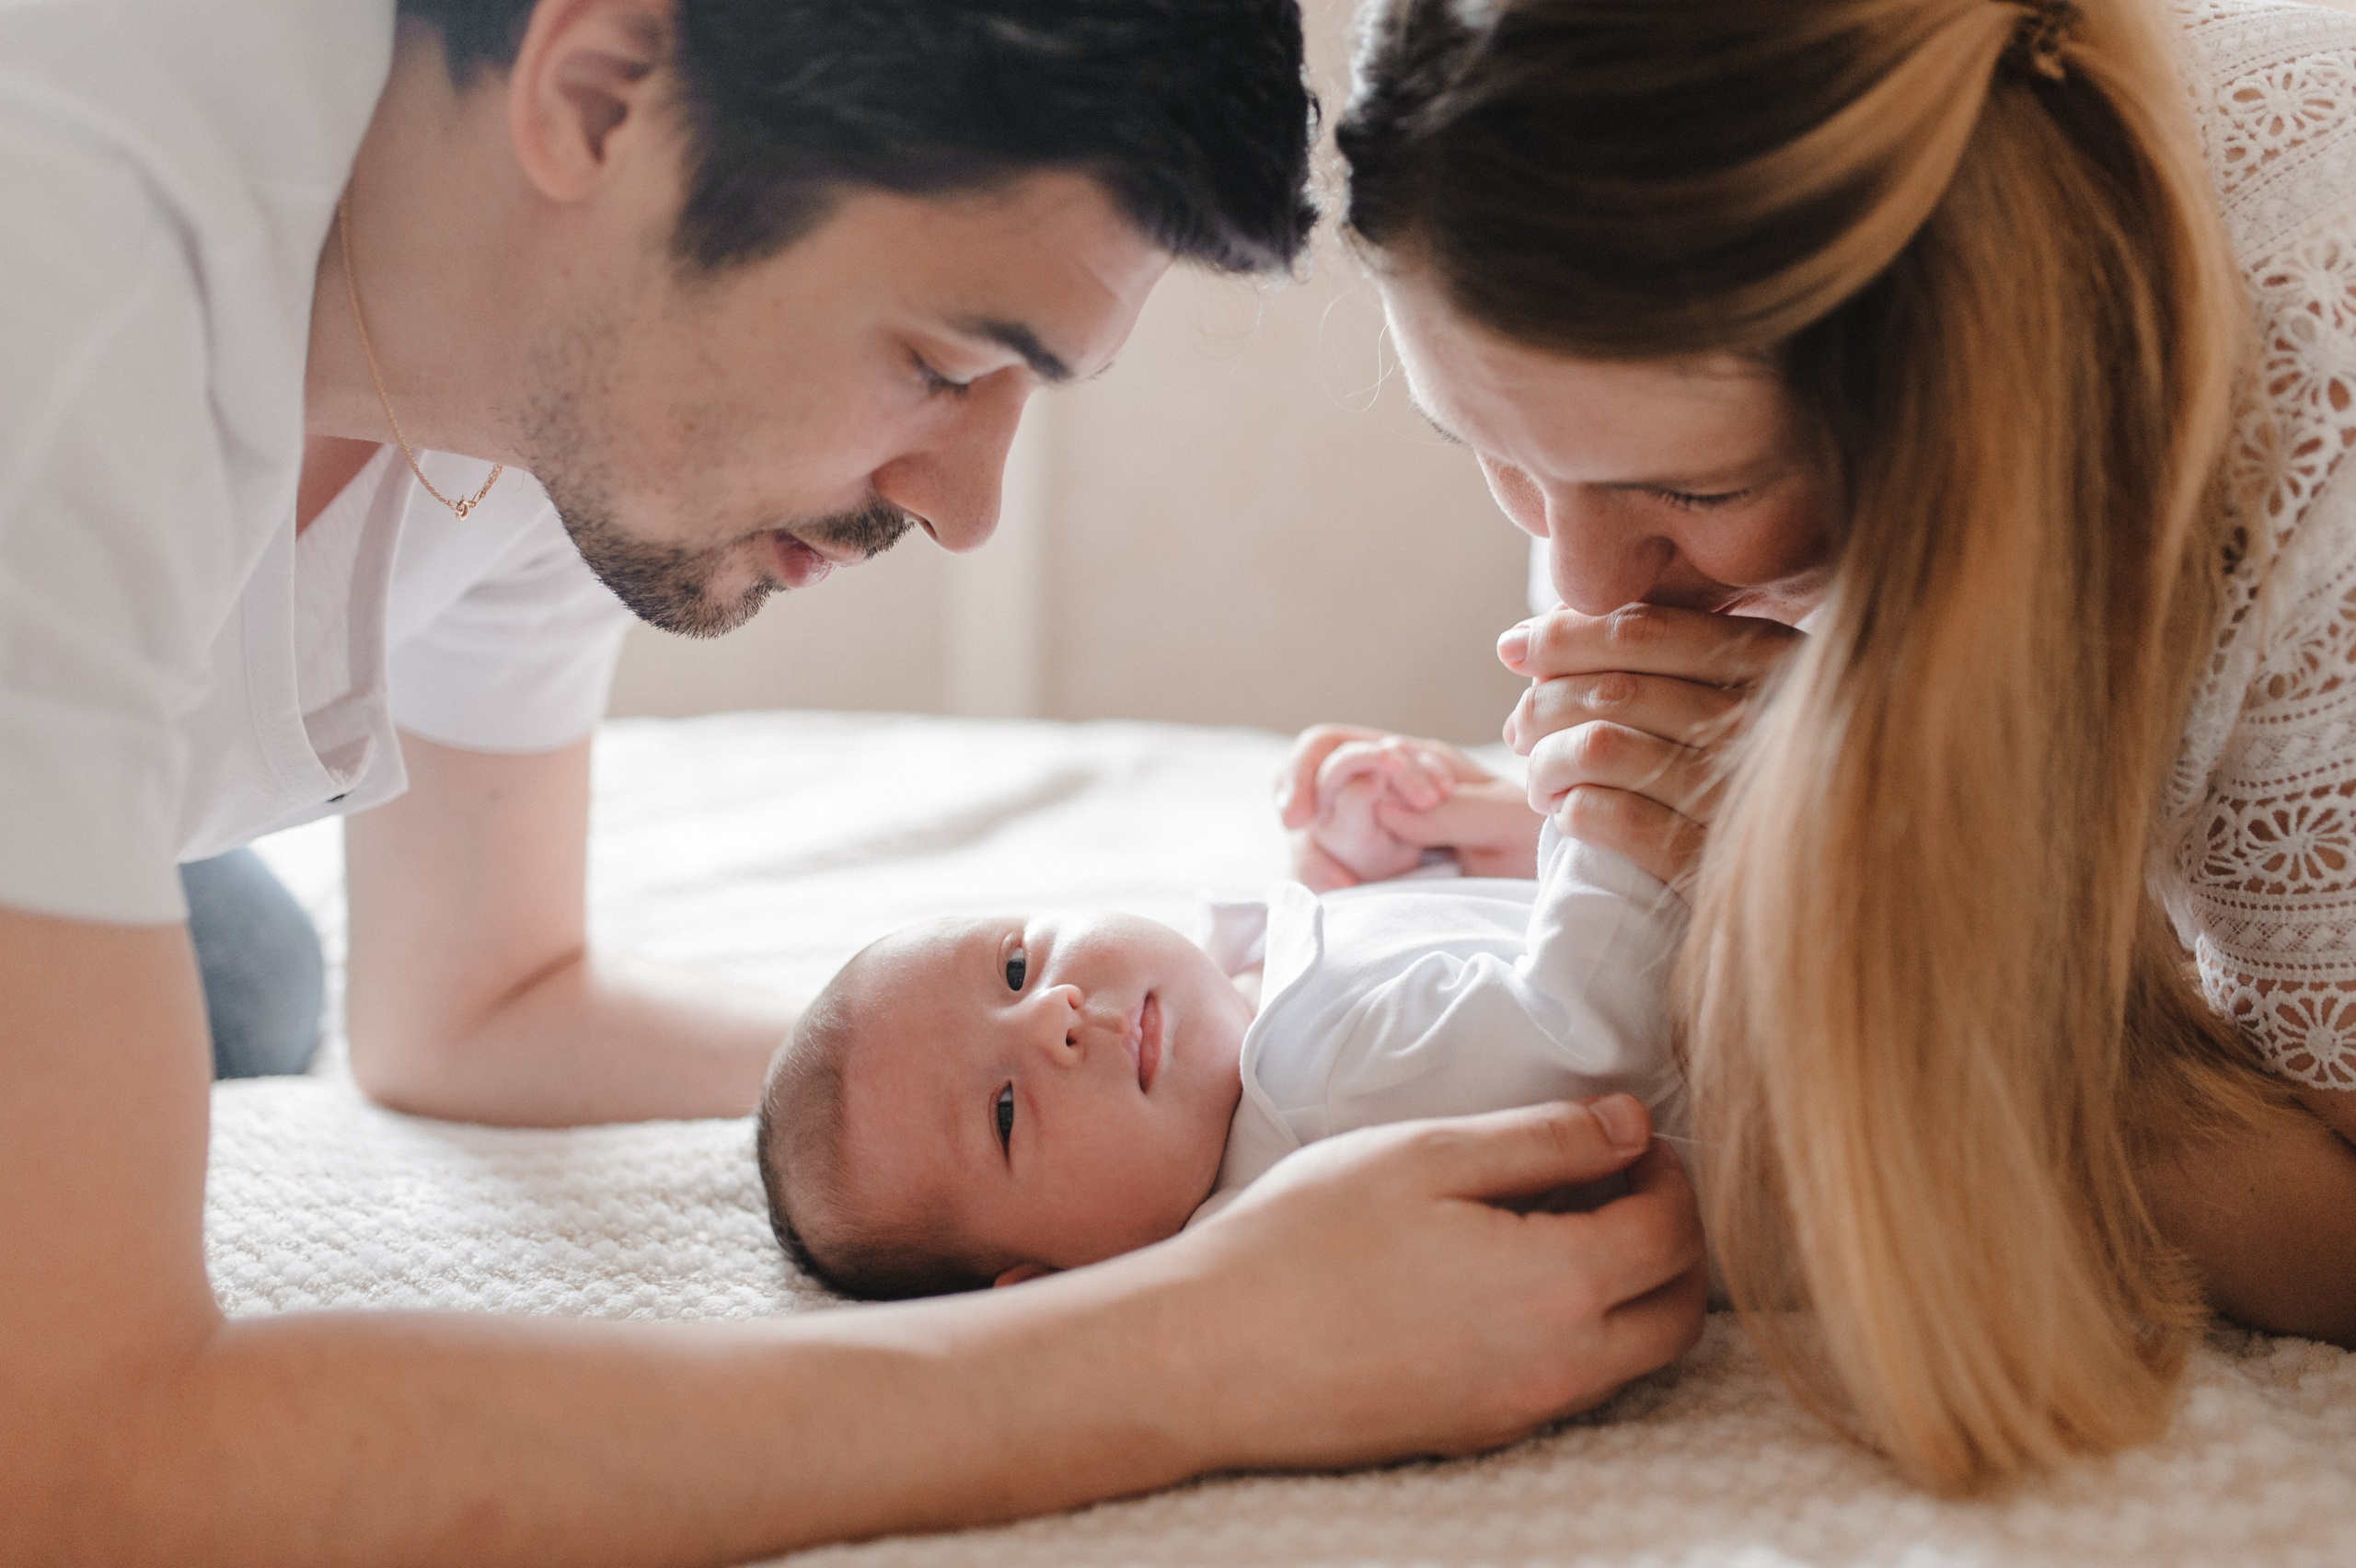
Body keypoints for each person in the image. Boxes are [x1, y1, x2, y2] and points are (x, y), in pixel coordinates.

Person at [0, 0, 1710, 1560]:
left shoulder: (540, 344)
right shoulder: (63, 302)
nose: (964, 508)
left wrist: (1095, 1115)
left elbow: (470, 1007)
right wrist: (1203, 1341)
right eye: (939, 362)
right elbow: (74, 1452)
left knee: (245, 965)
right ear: (600, 94)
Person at [1275, 0, 2356, 1496]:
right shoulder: (1629, 341)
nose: (1587, 586)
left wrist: (1855, 899)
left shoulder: (2317, 449)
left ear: (1963, 366)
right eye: (1495, 455)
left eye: (1692, 491)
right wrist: (1607, 816)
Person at [757, 802, 1686, 1299]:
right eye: (1002, 1112)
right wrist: (1607, 806)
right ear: (1051, 1284)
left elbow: (1465, 969)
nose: (1056, 1016)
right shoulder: (1319, 1092)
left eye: (1013, 964)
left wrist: (1416, 861)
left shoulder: (1250, 1001)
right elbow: (1598, 1022)